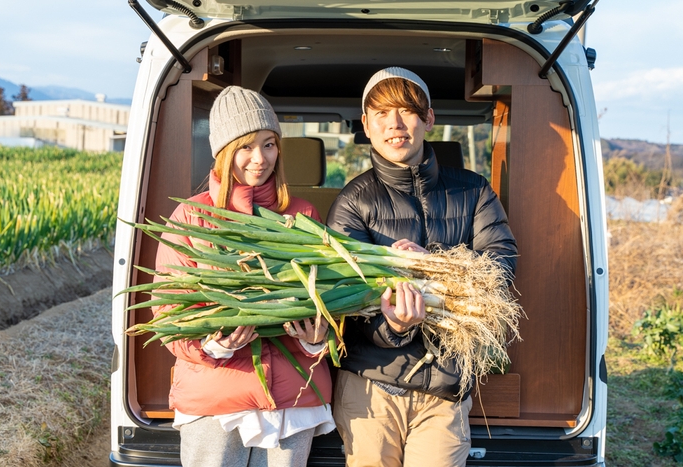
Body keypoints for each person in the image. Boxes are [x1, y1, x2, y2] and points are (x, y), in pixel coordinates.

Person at [326, 67, 518, 467]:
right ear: (366, 124)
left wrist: (431, 266)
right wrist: (395, 327)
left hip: (445, 387)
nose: (394, 124)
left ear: (428, 118)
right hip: (370, 386)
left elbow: (499, 266)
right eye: (381, 113)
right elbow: (341, 303)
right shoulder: (353, 202)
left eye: (406, 111)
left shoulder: (474, 189)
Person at [153, 86, 335, 467]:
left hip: (293, 403)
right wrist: (213, 347)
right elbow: (168, 313)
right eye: (246, 147)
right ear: (223, 152)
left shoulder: (302, 216)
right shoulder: (192, 217)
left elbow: (328, 302)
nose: (260, 158)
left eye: (269, 144)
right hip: (215, 402)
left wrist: (317, 342)